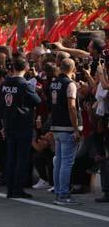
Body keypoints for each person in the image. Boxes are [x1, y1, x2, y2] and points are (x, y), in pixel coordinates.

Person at [0, 57, 41, 199]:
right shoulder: (25, 84)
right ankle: (17, 188)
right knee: (21, 158)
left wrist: (3, 125)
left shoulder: (5, 84)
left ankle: (10, 188)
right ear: (26, 67)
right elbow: (37, 101)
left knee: (11, 157)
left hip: (9, 124)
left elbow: (1, 106)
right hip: (22, 124)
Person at [50, 58, 83, 205]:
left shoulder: (54, 83)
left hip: (56, 126)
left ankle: (58, 192)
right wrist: (76, 129)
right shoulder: (70, 84)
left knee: (59, 161)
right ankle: (63, 195)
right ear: (73, 69)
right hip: (67, 128)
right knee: (66, 162)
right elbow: (72, 107)